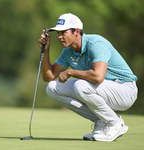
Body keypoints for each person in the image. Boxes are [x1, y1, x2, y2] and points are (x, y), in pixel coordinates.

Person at [38, 13, 138, 142]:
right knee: (52, 88)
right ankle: (101, 122)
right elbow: (49, 77)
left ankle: (114, 124)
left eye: (64, 32)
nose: (60, 37)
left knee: (81, 85)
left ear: (77, 31)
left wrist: (70, 72)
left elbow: (98, 77)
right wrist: (45, 50)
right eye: (58, 33)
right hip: (103, 89)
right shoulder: (68, 51)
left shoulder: (96, 43)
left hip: (125, 90)